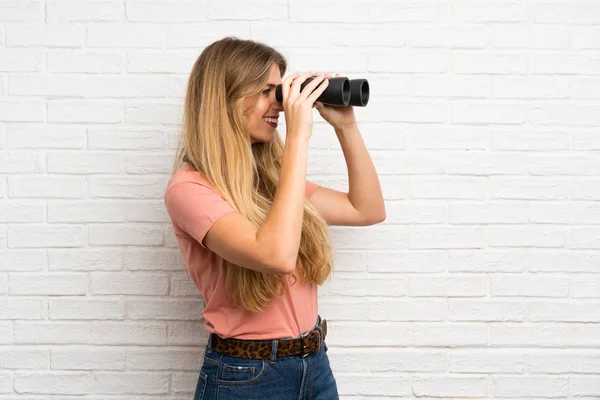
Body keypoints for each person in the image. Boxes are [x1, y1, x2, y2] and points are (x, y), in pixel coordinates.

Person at [164, 37, 386, 400]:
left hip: (315, 366)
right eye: (266, 92)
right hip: (247, 378)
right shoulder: (190, 190)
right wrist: (299, 136)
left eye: (279, 92)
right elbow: (276, 256)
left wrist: (346, 127)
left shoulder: (271, 181)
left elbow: (368, 209)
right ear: (227, 99)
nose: (279, 107)